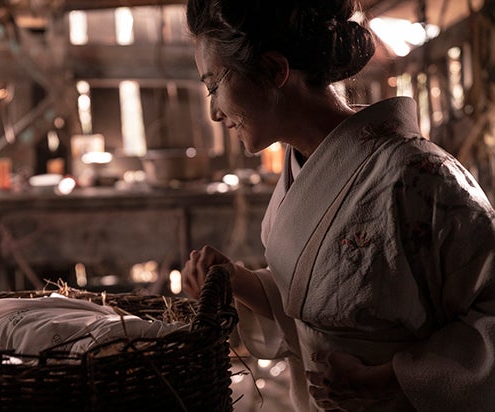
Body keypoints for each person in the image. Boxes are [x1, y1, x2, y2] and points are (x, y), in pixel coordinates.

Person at [181, 0, 495, 411]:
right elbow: (320, 304)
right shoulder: (304, 171)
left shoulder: (420, 175)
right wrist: (235, 279)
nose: (214, 112)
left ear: (274, 70)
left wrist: (394, 379)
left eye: (213, 86)